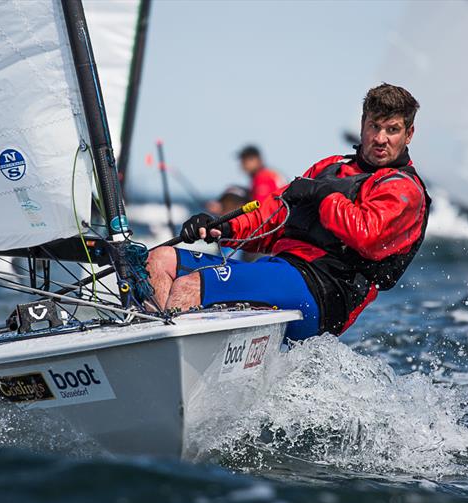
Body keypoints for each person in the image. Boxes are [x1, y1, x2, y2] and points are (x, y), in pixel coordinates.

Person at [145, 84, 430, 341]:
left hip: (323, 289)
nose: (380, 138)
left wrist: (323, 195)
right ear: (362, 125)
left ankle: (168, 365)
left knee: (191, 285)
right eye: (374, 126)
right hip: (282, 270)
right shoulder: (329, 167)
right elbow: (273, 213)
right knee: (159, 259)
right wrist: (223, 227)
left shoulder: (404, 189)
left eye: (392, 130)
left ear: (409, 134)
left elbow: (367, 234)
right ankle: (152, 354)